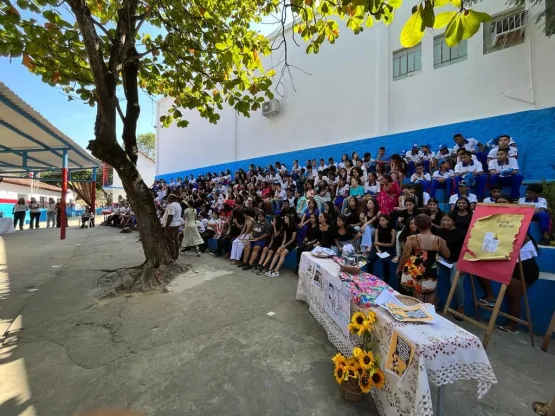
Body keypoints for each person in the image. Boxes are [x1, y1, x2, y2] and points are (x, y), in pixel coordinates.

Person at [397, 214, 450, 303]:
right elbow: (447, 255)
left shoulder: (411, 239)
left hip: (415, 269)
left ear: (417, 225)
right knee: (431, 292)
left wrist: (399, 267)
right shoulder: (439, 240)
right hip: (431, 269)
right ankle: (431, 314)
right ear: (430, 224)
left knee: (417, 294)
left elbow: (405, 255)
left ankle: (420, 315)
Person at [437, 213, 468, 319]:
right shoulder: (439, 232)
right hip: (442, 259)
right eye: (443, 220)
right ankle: (434, 300)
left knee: (456, 282)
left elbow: (466, 250)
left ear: (453, 221)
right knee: (431, 275)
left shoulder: (462, 233)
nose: (445, 222)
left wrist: (463, 263)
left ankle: (460, 306)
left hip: (457, 260)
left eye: (448, 220)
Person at [367, 214, 396, 283]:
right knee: (370, 259)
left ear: (387, 221)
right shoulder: (377, 230)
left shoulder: (392, 230)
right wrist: (378, 249)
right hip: (378, 249)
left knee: (385, 261)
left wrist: (379, 244)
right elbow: (375, 243)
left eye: (383, 220)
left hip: (387, 249)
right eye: (380, 220)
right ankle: (369, 276)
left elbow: (392, 244)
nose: (381, 222)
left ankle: (386, 279)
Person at [163, 194, 183, 260]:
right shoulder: (178, 205)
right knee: (175, 240)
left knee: (170, 241)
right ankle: (176, 255)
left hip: (171, 225)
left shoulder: (171, 206)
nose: (167, 200)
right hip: (177, 224)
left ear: (171, 198)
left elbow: (170, 216)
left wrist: (167, 225)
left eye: (168, 198)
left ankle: (172, 256)